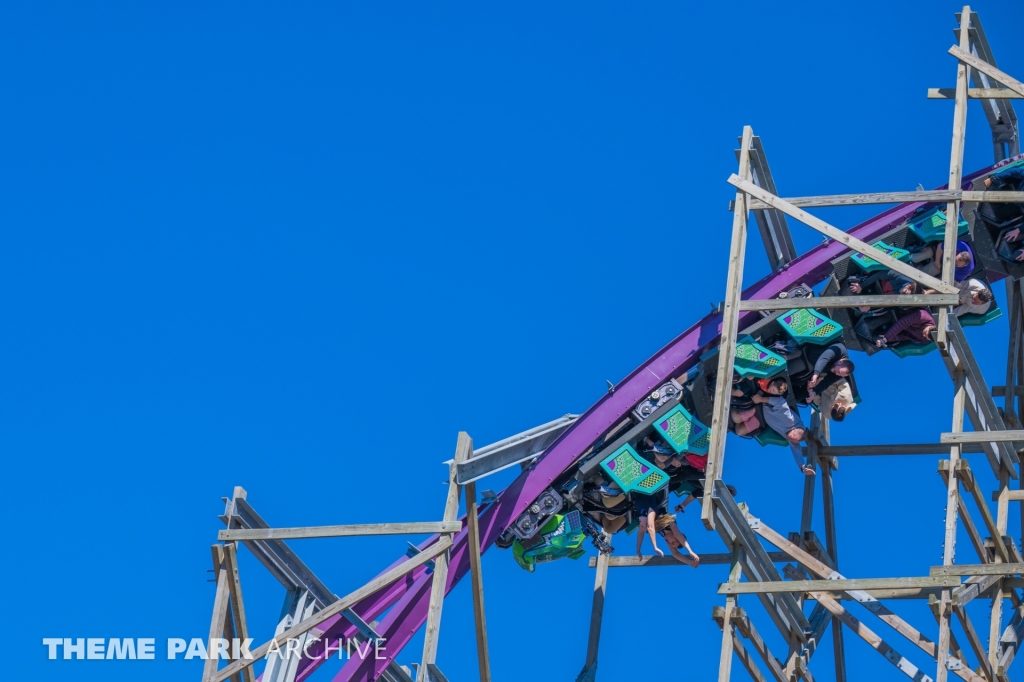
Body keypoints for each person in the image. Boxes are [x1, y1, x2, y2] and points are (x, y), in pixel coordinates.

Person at [748, 378, 814, 476]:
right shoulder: (789, 420)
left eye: (791, 440)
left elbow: (797, 451)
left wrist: (802, 467)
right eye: (791, 437)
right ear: (794, 429)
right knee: (738, 417)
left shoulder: (793, 438)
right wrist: (761, 399)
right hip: (763, 401)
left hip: (761, 415)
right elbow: (780, 402)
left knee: (740, 430)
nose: (789, 438)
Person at [910, 240, 975, 281]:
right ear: (959, 253)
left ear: (964, 265)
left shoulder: (967, 270)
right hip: (937, 253)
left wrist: (935, 282)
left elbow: (954, 281)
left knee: (921, 277)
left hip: (942, 267)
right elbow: (940, 246)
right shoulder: (959, 246)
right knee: (915, 258)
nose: (953, 263)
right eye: (954, 260)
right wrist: (937, 262)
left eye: (956, 265)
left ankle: (917, 268)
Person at [633, 491, 666, 559]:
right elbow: (650, 527)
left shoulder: (640, 513)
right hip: (643, 488)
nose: (640, 525)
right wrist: (655, 547)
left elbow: (640, 533)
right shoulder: (652, 510)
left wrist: (638, 550)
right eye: (644, 526)